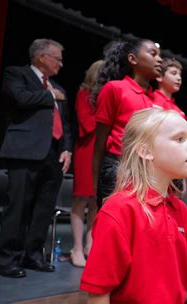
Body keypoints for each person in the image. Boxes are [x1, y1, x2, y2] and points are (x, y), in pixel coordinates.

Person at [80, 108, 187, 304]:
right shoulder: (120, 210)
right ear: (145, 150)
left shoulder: (182, 211)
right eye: (179, 139)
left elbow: (174, 283)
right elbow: (98, 292)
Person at [0, 38, 72, 278]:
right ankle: (7, 259)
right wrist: (50, 96)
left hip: (53, 154)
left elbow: (67, 125)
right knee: (18, 207)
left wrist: (67, 148)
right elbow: (20, 98)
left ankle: (33, 255)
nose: (61, 64)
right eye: (57, 59)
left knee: (43, 209)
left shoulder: (59, 89)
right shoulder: (16, 74)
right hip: (25, 150)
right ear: (41, 57)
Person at [91, 38, 162, 207]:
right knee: (114, 227)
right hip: (119, 168)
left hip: (149, 172)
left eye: (160, 55)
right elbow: (100, 141)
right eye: (153, 54)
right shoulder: (115, 89)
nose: (159, 60)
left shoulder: (158, 100)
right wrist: (95, 183)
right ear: (133, 59)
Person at [70, 60, 104, 267]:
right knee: (81, 199)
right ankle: (76, 247)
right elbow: (86, 122)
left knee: (95, 201)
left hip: (101, 150)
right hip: (86, 150)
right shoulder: (83, 93)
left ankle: (90, 245)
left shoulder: (105, 96)